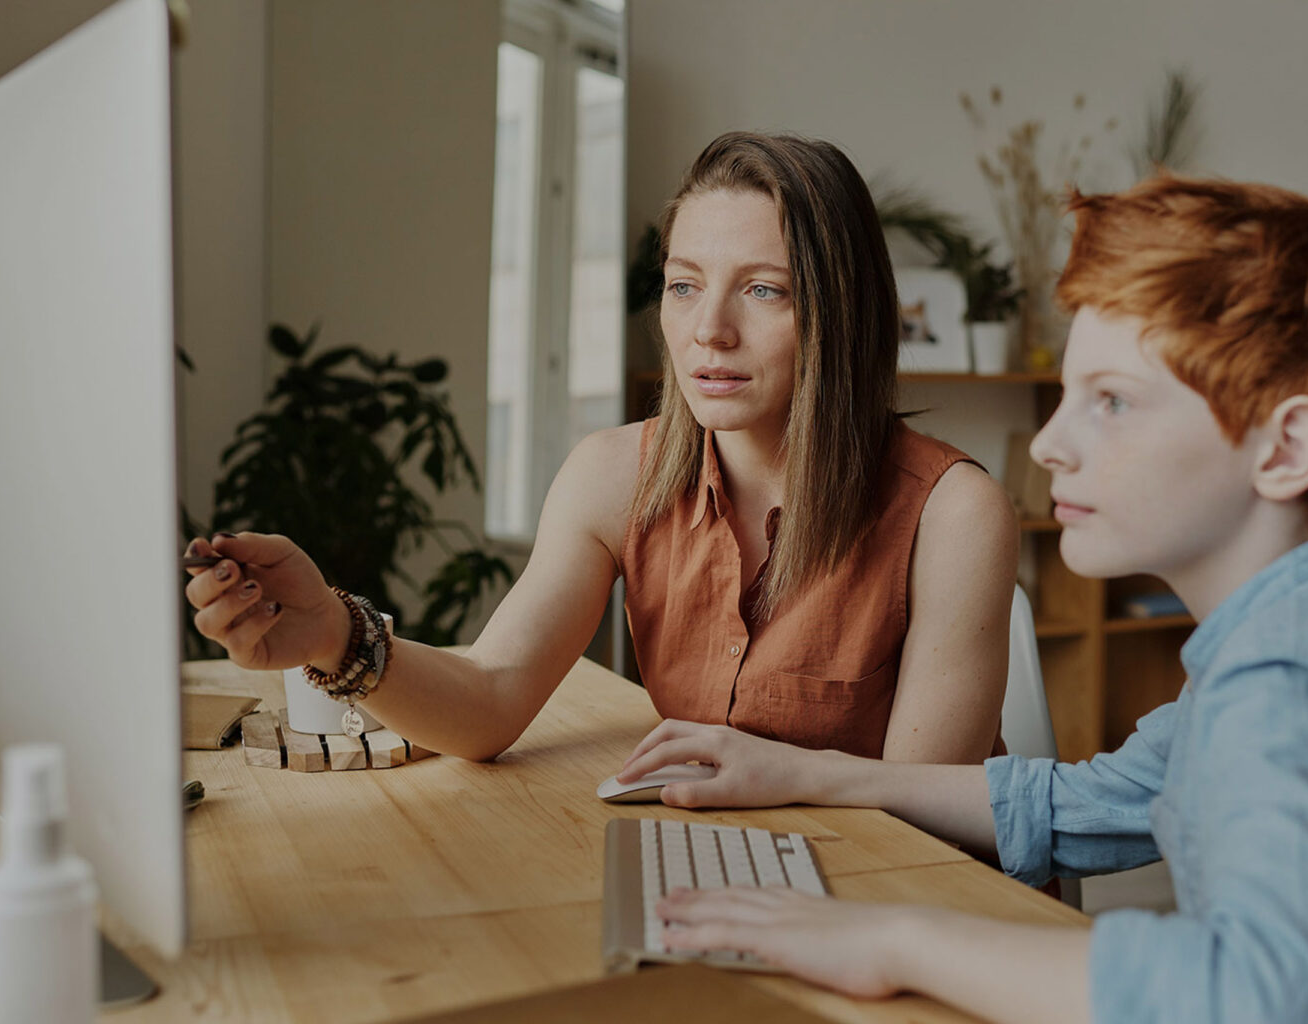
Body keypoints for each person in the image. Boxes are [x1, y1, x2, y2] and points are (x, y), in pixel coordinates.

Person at [618, 177, 1308, 1023]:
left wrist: (894, 941)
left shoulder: (1306, 682)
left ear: (1287, 449)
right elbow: (1089, 803)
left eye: (1111, 401)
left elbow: (1254, 998)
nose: (1049, 444)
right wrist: (808, 773)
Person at [184, 130, 1017, 765]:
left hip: (901, 901)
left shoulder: (953, 515)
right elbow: (490, 699)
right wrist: (335, 634)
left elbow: (923, 820)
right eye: (684, 285)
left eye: (764, 290)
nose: (709, 330)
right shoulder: (615, 475)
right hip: (730, 870)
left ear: (843, 313)